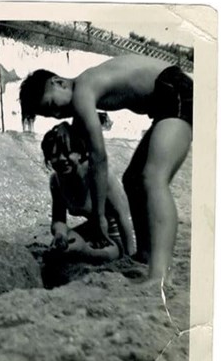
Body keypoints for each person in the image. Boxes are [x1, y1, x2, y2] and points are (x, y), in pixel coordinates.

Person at [19, 55, 192, 280]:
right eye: (51, 114)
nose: (58, 114)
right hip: (164, 101)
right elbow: (79, 145)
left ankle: (160, 273)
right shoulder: (84, 91)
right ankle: (144, 255)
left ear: (59, 82)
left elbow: (98, 158)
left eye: (53, 106)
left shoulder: (82, 91)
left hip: (175, 89)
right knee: (132, 179)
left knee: (152, 178)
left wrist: (100, 216)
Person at [42, 121, 135, 263]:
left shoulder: (99, 176)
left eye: (67, 153)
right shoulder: (56, 181)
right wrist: (60, 234)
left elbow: (123, 217)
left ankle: (88, 252)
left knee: (88, 254)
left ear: (80, 153)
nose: (61, 159)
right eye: (54, 155)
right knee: (60, 250)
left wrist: (130, 257)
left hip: (118, 233)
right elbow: (58, 220)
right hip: (93, 228)